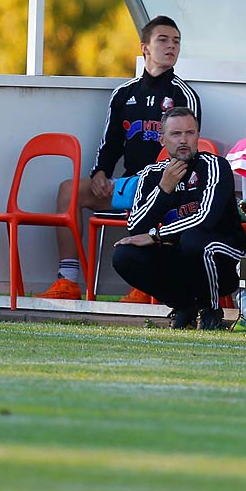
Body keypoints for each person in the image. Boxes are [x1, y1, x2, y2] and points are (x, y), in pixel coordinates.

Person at [38, 15, 197, 300]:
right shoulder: (124, 93)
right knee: (69, 191)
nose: (171, 47)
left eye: (176, 42)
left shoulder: (184, 94)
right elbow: (109, 143)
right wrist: (100, 173)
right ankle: (68, 281)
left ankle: (146, 284)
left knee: (157, 196)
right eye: (162, 40)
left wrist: (163, 182)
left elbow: (189, 151)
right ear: (145, 47)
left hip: (168, 186)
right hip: (129, 185)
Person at [111, 106, 246, 329]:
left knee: (194, 240)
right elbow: (135, 228)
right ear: (162, 139)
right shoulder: (152, 174)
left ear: (197, 136)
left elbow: (206, 218)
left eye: (190, 133)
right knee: (124, 255)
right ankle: (184, 306)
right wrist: (163, 190)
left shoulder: (216, 166)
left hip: (227, 260)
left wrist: (157, 235)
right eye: (176, 134)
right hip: (181, 258)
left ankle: (211, 310)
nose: (183, 140)